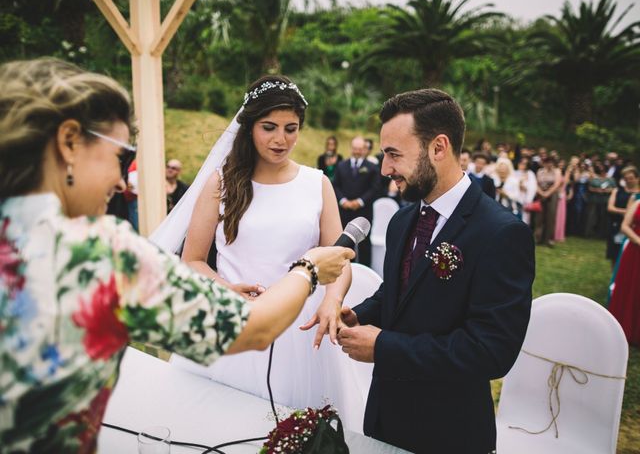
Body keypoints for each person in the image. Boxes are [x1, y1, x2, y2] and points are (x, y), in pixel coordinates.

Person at [0, 59, 353, 452]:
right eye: (120, 156)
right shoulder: (98, 256)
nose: (121, 181)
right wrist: (308, 269)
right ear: (68, 142)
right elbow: (249, 328)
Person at [154, 75, 366, 429]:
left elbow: (339, 258)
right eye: (269, 127)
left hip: (298, 327)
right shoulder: (221, 182)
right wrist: (223, 286)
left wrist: (333, 299)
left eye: (291, 128)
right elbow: (191, 260)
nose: (281, 139)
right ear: (250, 126)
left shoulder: (317, 184)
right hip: (235, 320)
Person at [336, 89, 534, 453]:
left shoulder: (502, 234)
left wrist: (384, 346)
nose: (385, 169)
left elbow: (491, 351)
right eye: (384, 155)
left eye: (394, 154)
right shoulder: (401, 220)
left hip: (448, 431)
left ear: (439, 147)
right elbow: (397, 293)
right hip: (383, 416)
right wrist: (358, 314)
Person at [332, 136, 381, 266]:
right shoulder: (341, 165)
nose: (357, 151)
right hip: (344, 211)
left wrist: (359, 201)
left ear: (364, 149)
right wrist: (343, 201)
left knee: (365, 244)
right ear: (351, 148)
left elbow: (375, 188)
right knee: (346, 241)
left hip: (364, 211)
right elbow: (335, 185)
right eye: (355, 148)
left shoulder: (372, 167)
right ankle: (346, 269)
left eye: (360, 149)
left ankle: (366, 269)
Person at [608, 199, 640, 345]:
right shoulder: (637, 202)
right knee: (631, 288)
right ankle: (627, 328)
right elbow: (625, 226)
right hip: (635, 251)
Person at [606, 166, 640, 264]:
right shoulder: (617, 191)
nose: (628, 181)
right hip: (616, 225)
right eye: (626, 179)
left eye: (631, 178)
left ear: (637, 178)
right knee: (615, 254)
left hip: (634, 227)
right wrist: (625, 212)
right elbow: (610, 207)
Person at [535, 157, 562, 246]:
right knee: (540, 217)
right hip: (541, 194)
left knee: (551, 216)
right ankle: (539, 238)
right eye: (547, 162)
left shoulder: (557, 171)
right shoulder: (540, 171)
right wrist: (541, 192)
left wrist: (548, 193)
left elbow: (557, 184)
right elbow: (536, 183)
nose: (549, 164)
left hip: (552, 195)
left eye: (551, 162)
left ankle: (549, 239)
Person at [513, 156, 538, 226]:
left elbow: (533, 187)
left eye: (524, 164)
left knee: (525, 218)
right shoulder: (514, 173)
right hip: (515, 198)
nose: (522, 165)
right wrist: (518, 185)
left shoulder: (530, 174)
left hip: (526, 199)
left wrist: (526, 188)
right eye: (521, 163)